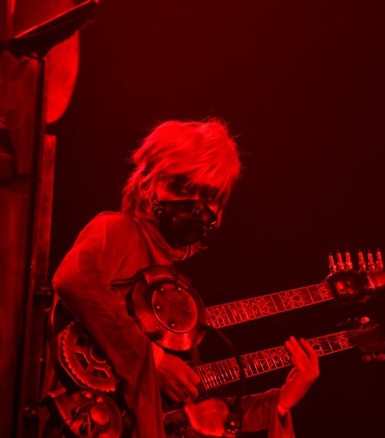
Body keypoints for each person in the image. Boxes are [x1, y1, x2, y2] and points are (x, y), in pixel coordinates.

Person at [40, 118, 319, 437]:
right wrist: (154, 359)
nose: (197, 207)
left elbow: (182, 418)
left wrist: (279, 403)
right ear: (148, 184)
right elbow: (75, 280)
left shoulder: (174, 289)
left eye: (210, 196)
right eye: (182, 188)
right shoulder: (118, 231)